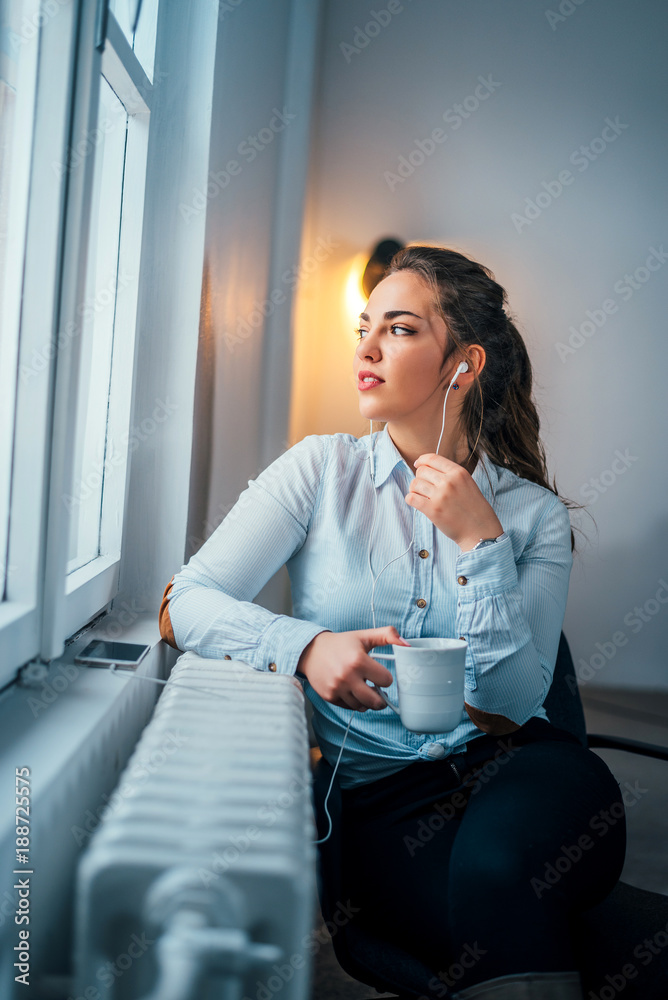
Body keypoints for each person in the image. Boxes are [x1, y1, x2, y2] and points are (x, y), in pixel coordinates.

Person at [160, 244, 626, 1000]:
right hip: (384, 807)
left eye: (400, 329)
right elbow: (186, 601)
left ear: (462, 365)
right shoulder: (319, 472)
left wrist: (479, 544)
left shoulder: (531, 516)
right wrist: (304, 646)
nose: (366, 348)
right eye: (364, 326)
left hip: (529, 774)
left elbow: (509, 709)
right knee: (508, 907)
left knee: (500, 874)